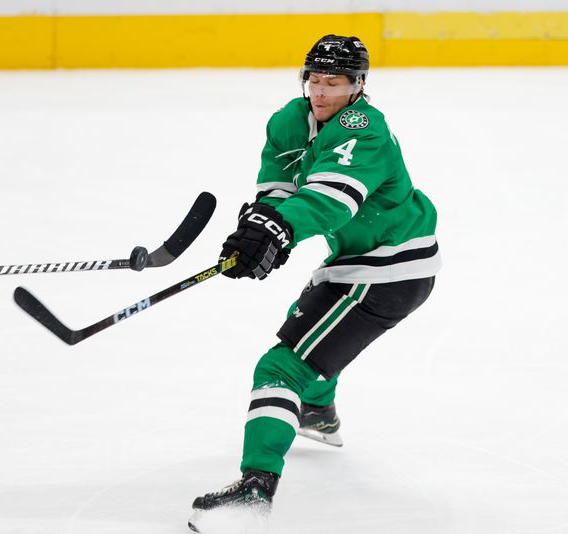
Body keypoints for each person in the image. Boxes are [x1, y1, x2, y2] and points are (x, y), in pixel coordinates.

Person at [189, 34, 441, 529]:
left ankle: (254, 492)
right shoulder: (290, 119)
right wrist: (260, 225)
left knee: (282, 368)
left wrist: (280, 230)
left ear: (357, 86)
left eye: (335, 82)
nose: (322, 92)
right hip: (356, 261)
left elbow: (331, 198)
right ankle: (317, 413)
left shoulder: (362, 127)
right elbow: (278, 185)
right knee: (306, 329)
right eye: (315, 80)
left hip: (389, 269)